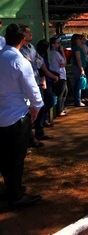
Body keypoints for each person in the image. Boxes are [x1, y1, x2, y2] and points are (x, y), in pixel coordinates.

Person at [0, 23, 44, 208]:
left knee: (4, 156)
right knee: (17, 158)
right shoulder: (20, 61)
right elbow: (32, 90)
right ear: (22, 39)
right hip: (16, 116)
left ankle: (11, 187)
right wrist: (36, 107)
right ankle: (15, 195)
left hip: (2, 114)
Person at [47, 37, 68, 119]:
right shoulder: (55, 53)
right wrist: (62, 51)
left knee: (65, 91)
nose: (59, 45)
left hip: (60, 74)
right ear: (53, 45)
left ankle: (61, 107)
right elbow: (64, 62)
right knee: (61, 93)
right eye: (57, 43)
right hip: (60, 75)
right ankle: (59, 110)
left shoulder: (52, 53)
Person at [67, 34, 87, 108]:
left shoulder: (78, 47)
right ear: (76, 40)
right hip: (77, 68)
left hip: (78, 67)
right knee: (78, 84)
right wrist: (81, 69)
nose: (80, 40)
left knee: (78, 84)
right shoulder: (77, 49)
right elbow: (78, 59)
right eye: (79, 39)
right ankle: (78, 101)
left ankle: (78, 100)